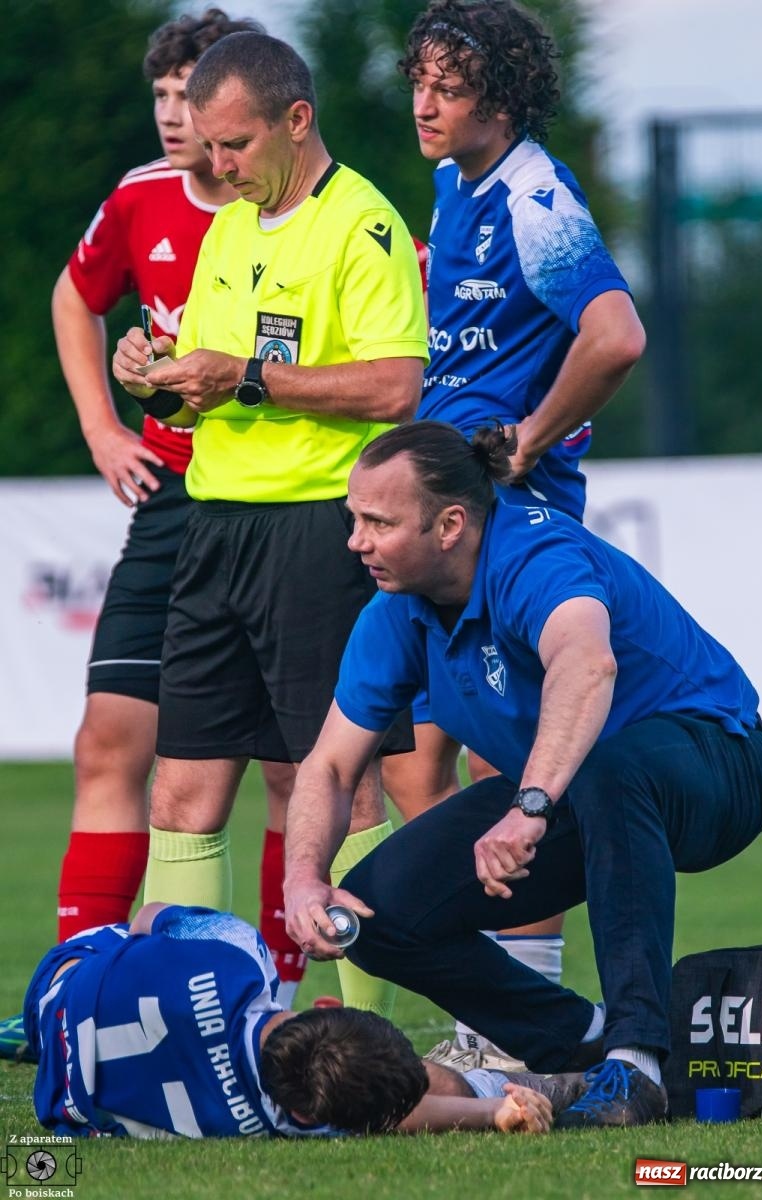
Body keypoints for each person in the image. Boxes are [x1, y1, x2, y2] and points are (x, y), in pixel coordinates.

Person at [282, 421, 762, 1129]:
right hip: (585, 791)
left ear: (450, 524)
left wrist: (530, 804)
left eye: (378, 522)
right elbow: (329, 766)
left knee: (611, 764)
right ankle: (584, 1044)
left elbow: (587, 665)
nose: (356, 540)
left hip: (720, 768)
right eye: (354, 518)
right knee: (378, 914)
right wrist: (305, 876)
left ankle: (638, 1065)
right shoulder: (393, 611)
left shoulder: (535, 554)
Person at [110, 31, 429, 1019]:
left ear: (297, 121)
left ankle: (362, 1051)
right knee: (181, 796)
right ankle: (182, 1038)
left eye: (234, 145)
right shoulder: (230, 229)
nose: (215, 167)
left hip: (314, 537)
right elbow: (201, 386)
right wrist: (155, 380)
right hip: (213, 529)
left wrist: (244, 375)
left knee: (342, 791)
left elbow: (394, 386)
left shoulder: (362, 225)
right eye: (206, 147)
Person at [379, 0, 647, 1063]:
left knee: (499, 758)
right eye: (419, 80)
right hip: (437, 515)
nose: (423, 102)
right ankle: (485, 1020)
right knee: (409, 760)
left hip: (505, 522)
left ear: (502, 96)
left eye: (448, 86)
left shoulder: (537, 197)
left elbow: (614, 333)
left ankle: (516, 1032)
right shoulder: (453, 188)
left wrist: (531, 432)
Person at [43, 9, 310, 1010]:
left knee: (291, 770)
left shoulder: (303, 213)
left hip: (278, 509)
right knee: (109, 739)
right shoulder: (140, 198)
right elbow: (78, 298)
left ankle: (277, 1002)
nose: (173, 114)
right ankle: (81, 988)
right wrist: (105, 428)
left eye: (191, 94)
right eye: (160, 94)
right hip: (172, 502)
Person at [24, 902, 573, 1139]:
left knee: (145, 939)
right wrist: (486, 1115)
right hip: (64, 1085)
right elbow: (393, 1116)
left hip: (60, 983)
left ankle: (529, 1084)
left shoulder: (240, 955)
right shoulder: (269, 1118)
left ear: (322, 1010)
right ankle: (558, 1082)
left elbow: (147, 919)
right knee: (431, 1081)